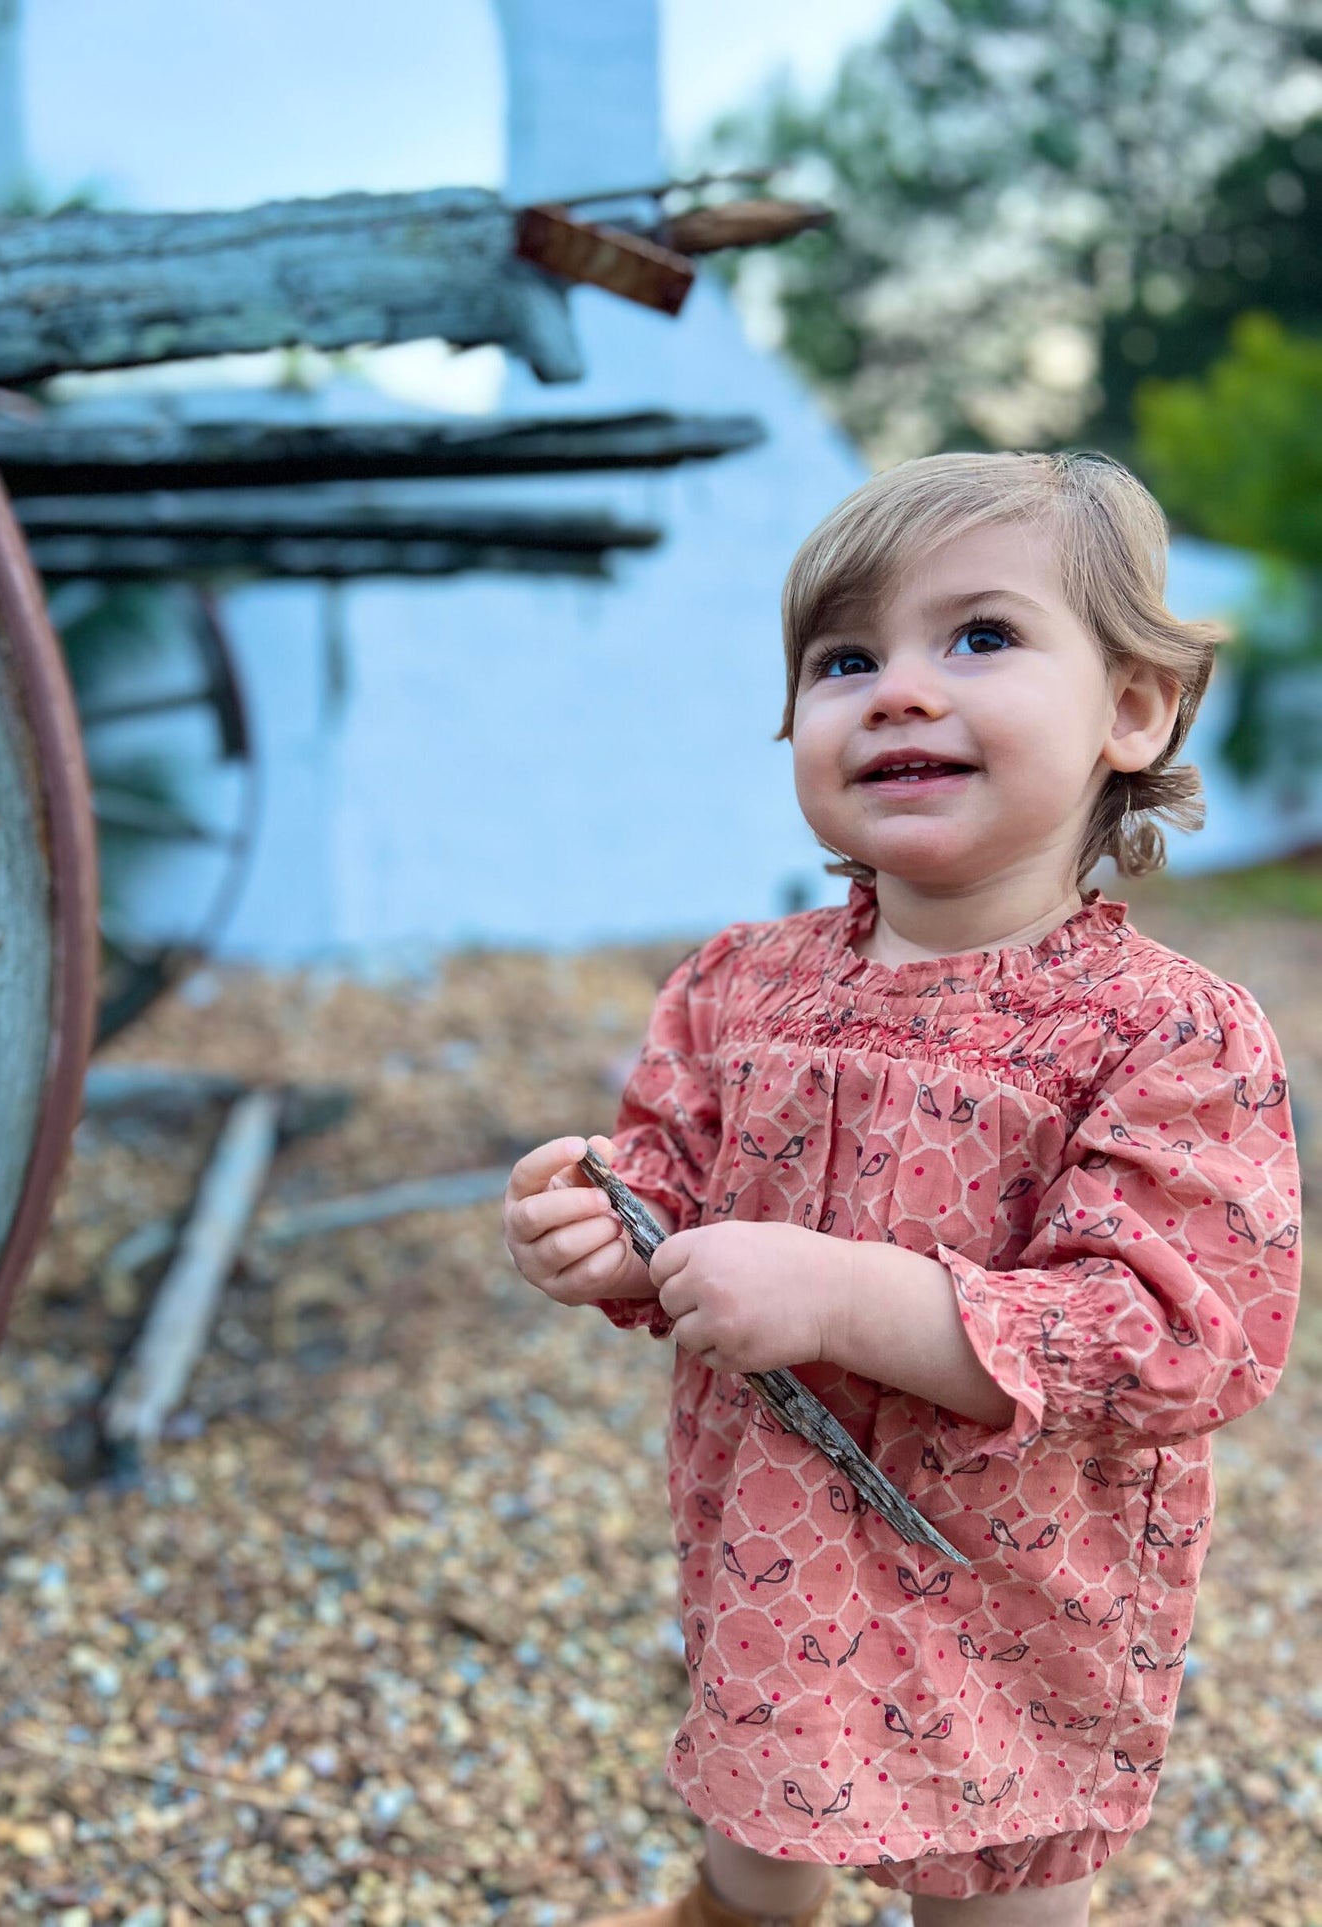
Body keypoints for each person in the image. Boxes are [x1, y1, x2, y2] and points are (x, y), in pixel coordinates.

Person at [502, 451, 1302, 1926]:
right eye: (844, 657)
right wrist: (604, 1224)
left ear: (1131, 709)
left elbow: (1186, 1332)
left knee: (989, 1873)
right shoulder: (739, 985)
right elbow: (670, 1180)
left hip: (1011, 1577)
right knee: (757, 1823)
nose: (898, 689)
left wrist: (845, 1297)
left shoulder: (1160, 1032)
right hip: (777, 1536)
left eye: (979, 637)